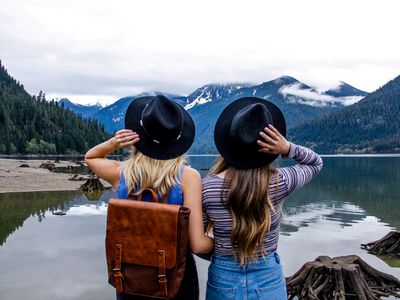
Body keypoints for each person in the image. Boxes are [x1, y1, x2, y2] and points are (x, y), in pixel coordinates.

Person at [85, 95, 214, 300]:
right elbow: (197, 244)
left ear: (138, 138)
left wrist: (113, 143)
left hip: (130, 274)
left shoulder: (121, 173)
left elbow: (91, 157)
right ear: (177, 141)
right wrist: (228, 244)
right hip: (175, 277)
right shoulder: (188, 177)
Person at [202, 97, 323, 299]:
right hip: (268, 275)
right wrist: (287, 148)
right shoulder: (281, 182)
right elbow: (315, 163)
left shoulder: (206, 188)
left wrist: (223, 253)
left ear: (228, 143)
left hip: (223, 276)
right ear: (269, 146)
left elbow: (196, 241)